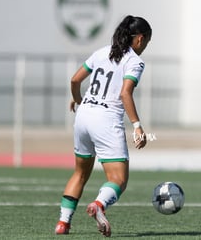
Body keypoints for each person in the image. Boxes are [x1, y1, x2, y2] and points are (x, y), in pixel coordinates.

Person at [54, 15, 152, 237]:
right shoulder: (134, 61)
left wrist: (78, 100)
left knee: (80, 173)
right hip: (106, 121)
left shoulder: (102, 52)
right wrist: (137, 126)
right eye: (146, 42)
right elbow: (125, 93)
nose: (144, 47)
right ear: (139, 39)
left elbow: (75, 80)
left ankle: (62, 223)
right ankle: (99, 204)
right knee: (118, 179)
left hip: (83, 116)